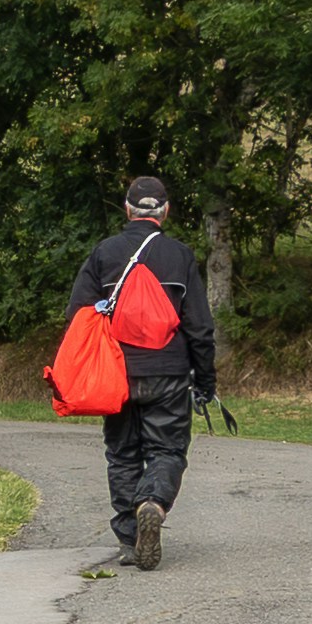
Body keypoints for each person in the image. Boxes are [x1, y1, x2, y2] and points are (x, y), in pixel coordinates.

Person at [70, 172, 217, 572]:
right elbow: (200, 328)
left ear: (127, 209)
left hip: (115, 374)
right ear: (165, 210)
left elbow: (78, 316)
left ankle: (130, 542)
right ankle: (151, 503)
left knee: (122, 454)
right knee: (167, 450)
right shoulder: (180, 256)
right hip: (169, 373)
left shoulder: (104, 253)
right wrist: (204, 380)